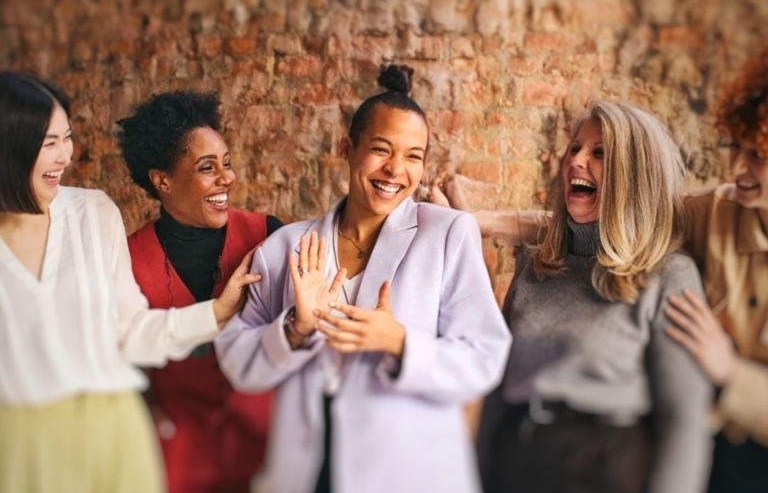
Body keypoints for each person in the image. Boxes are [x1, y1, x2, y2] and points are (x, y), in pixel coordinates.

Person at [215, 65, 512, 493]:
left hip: (406, 471)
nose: (395, 169)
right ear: (347, 148)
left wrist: (398, 342)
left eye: (413, 156)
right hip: (308, 467)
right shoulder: (286, 247)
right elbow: (238, 361)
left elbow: (485, 357)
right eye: (381, 149)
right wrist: (296, 329)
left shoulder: (447, 234)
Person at [0, 71, 257, 493]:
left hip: (114, 431)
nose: (65, 156)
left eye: (67, 137)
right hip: (19, 444)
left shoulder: (93, 213)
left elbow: (130, 332)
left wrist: (218, 311)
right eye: (49, 144)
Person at [475, 100, 712, 493]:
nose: (577, 161)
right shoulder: (535, 266)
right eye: (575, 148)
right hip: (516, 461)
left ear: (633, 175)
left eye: (599, 153)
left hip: (602, 467)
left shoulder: (669, 274)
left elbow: (683, 423)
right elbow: (496, 393)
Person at [117, 91, 280, 493]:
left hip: (271, 456)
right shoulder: (126, 259)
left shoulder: (269, 235)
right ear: (162, 180)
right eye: (208, 167)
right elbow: (125, 362)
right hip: (176, 465)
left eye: (226, 163)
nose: (227, 178)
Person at [663, 49, 768, 493]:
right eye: (736, 148)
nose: (738, 169)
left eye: (759, 156)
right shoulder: (718, 212)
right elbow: (619, 224)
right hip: (710, 451)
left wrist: (729, 371)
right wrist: (483, 222)